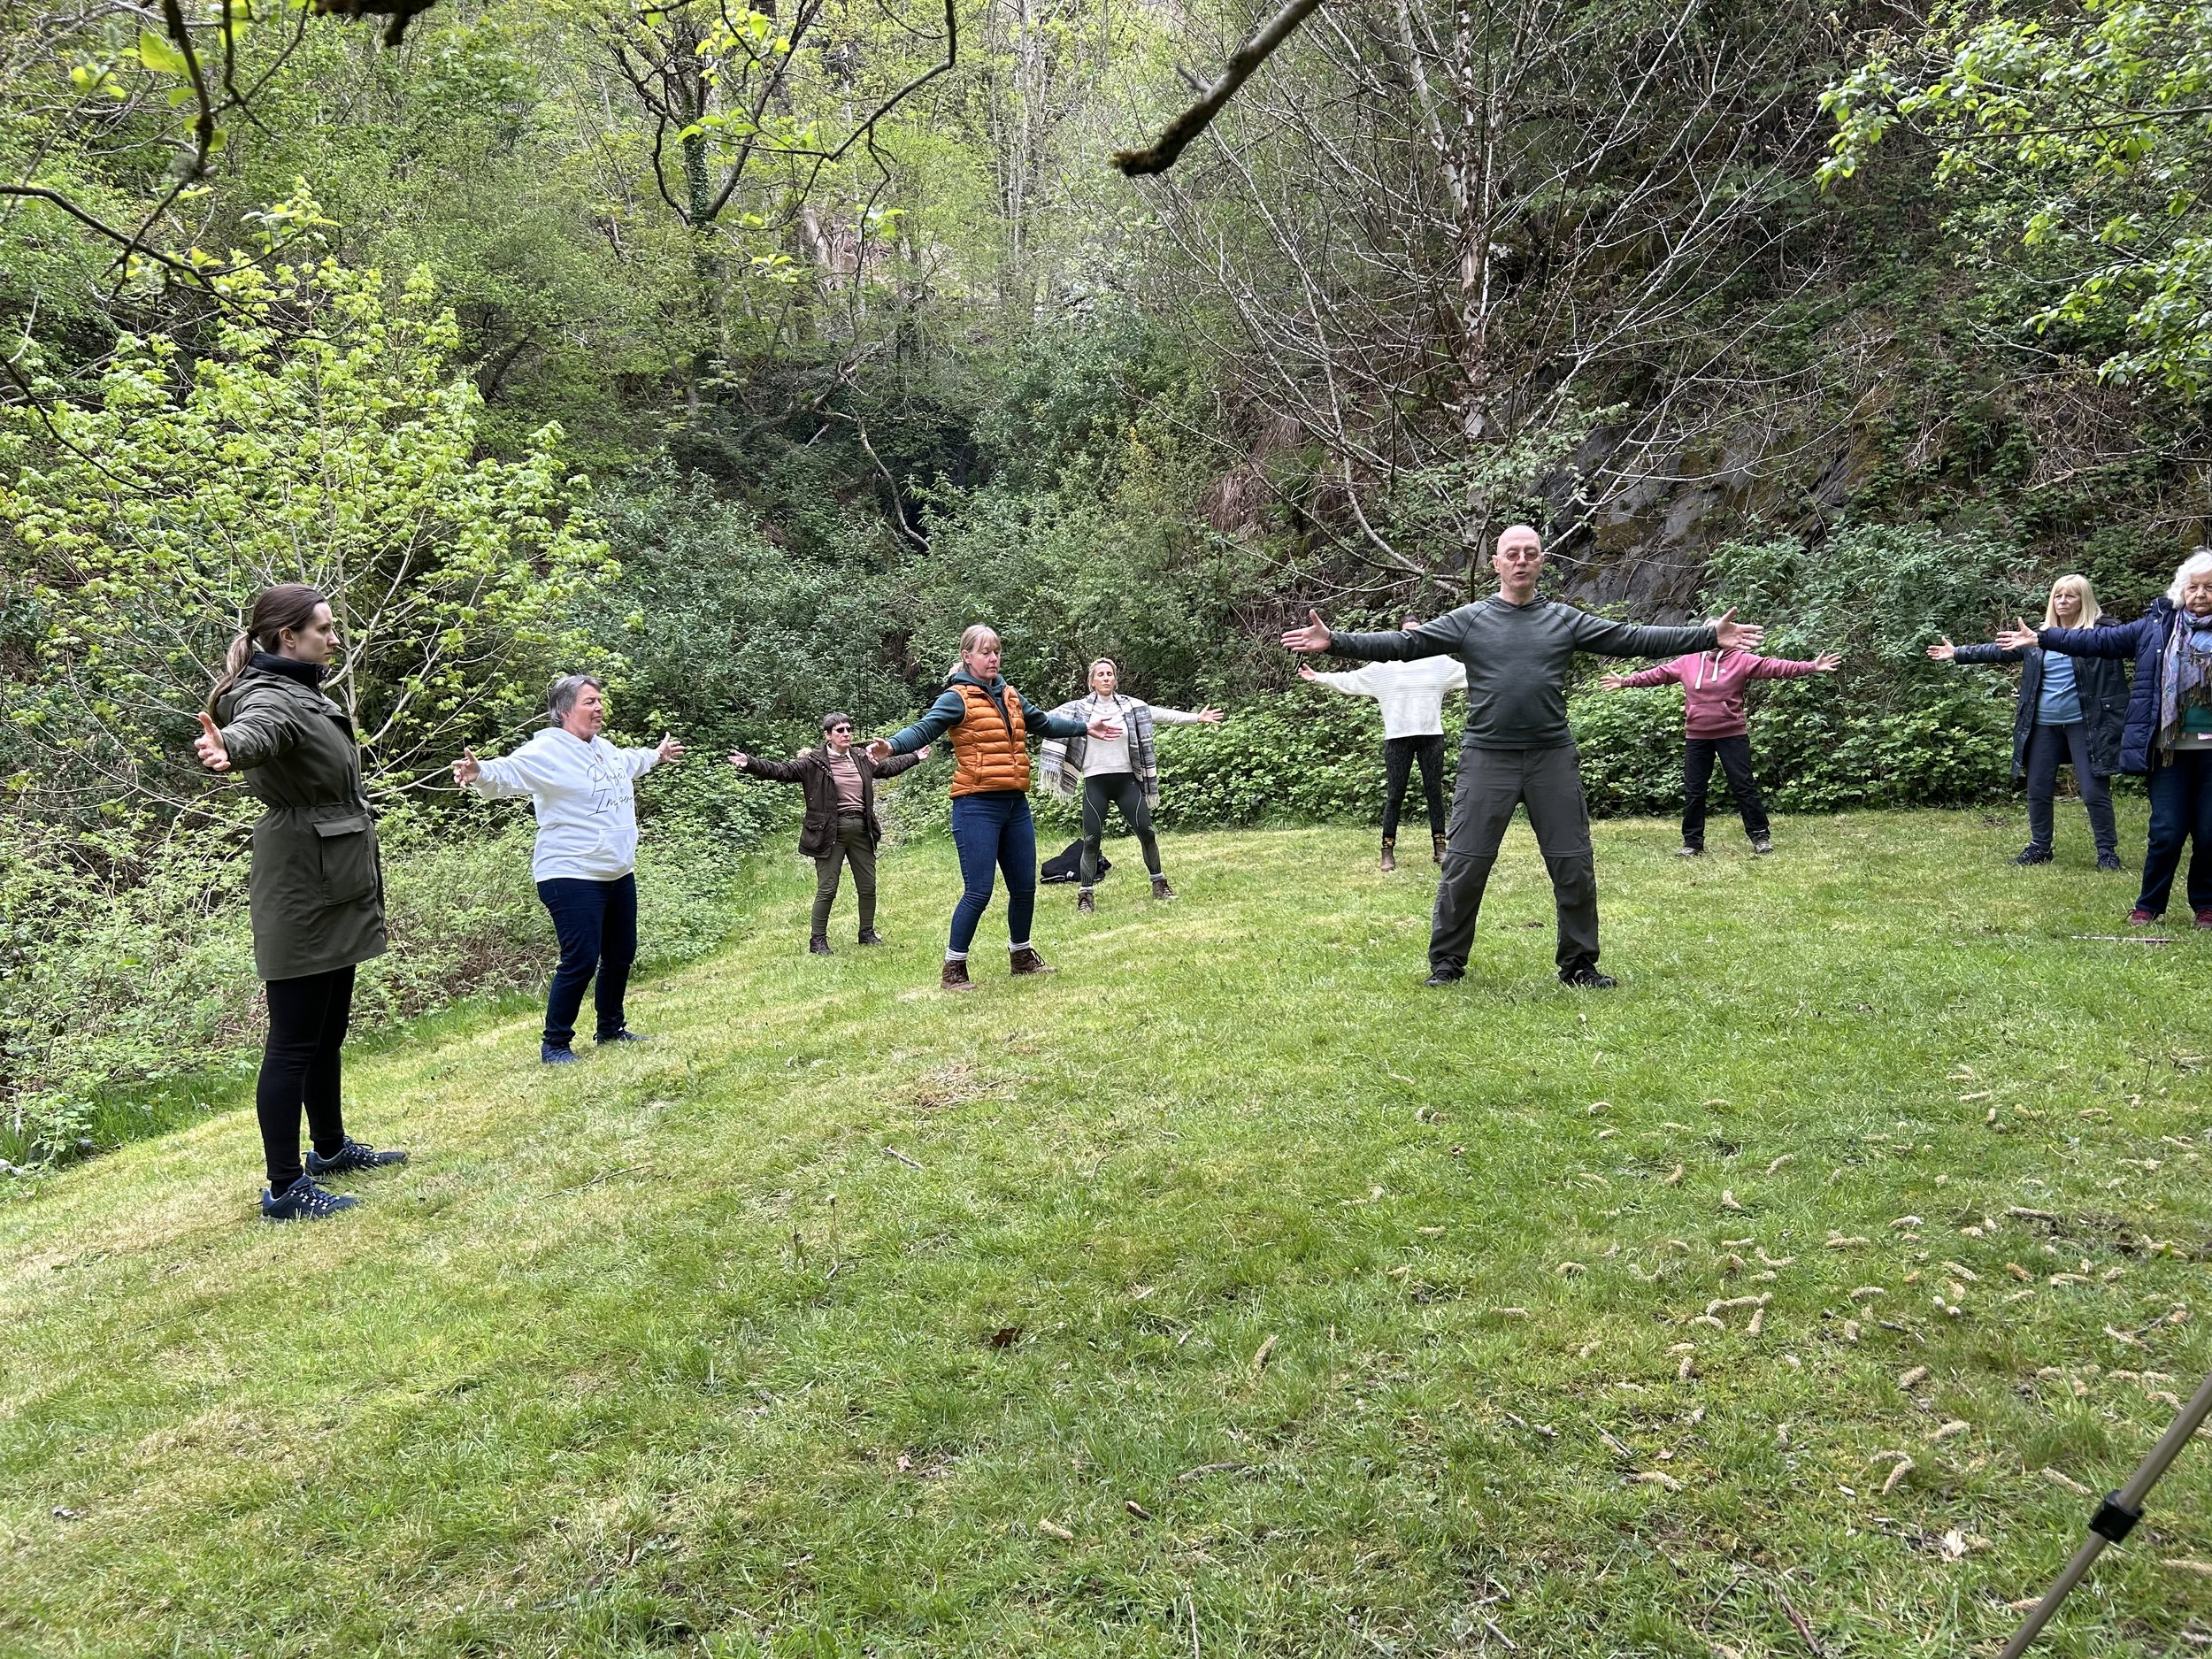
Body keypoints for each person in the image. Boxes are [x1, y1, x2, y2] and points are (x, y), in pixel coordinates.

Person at [1281, 524, 1764, 988]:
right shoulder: (1470, 620)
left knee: (1572, 862)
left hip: (1551, 757)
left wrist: (1706, 635)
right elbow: (1406, 645)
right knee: (1465, 863)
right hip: (1487, 758)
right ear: (1496, 563)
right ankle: (1447, 963)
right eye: (1511, 553)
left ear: (1541, 562)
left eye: (1529, 553)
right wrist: (1336, 642)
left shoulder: (1564, 620)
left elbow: (1631, 637)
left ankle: (1579, 965)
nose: (1520, 561)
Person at [193, 584, 408, 1222]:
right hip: (301, 883)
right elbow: (259, 730)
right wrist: (228, 747)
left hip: (333, 873)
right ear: (288, 638)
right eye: (324, 629)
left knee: (328, 1031)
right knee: (293, 1041)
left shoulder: (303, 688)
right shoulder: (268, 697)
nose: (334, 638)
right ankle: (285, 1187)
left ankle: (330, 1148)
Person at [868, 625, 1120, 990]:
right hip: (976, 806)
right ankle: (954, 969)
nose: (993, 658)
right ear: (967, 656)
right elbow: (925, 729)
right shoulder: (957, 698)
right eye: (985, 652)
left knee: (1024, 887)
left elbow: (1044, 723)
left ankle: (1021, 956)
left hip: (1015, 804)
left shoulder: (1010, 695)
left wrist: (1085, 726)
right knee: (979, 890)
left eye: (996, 651)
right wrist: (891, 746)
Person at [452, 675, 684, 1062]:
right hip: (571, 873)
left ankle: (610, 1029)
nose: (598, 708)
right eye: (589, 702)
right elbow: (510, 771)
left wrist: (656, 755)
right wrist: (481, 772)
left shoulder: (604, 750)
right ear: (564, 711)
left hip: (616, 871)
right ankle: (555, 1044)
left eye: (599, 701)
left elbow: (631, 761)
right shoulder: (547, 751)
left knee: (621, 952)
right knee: (580, 958)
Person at [2000, 550, 2212, 926]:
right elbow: (2099, 642)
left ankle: (2206, 906)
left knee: (2210, 834)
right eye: (2193, 587)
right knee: (2166, 831)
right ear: (2181, 591)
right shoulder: (2156, 628)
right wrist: (2045, 638)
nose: (2200, 594)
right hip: (2168, 749)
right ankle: (2149, 906)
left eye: (2209, 587)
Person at [1930, 573, 2126, 870]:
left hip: (2086, 725)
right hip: (2043, 725)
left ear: (2083, 599)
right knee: (2038, 788)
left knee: (2092, 790)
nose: (2062, 601)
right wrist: (1957, 653)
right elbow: (1998, 650)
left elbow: (2127, 639)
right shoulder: (2039, 636)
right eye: (2058, 596)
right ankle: (2040, 848)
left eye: (2070, 596)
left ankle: (2107, 853)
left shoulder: (2100, 635)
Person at [1598, 644, 1843, 856]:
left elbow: (1774, 667)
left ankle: (1760, 837)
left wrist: (1810, 666)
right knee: (1694, 789)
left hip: (1732, 734)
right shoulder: (1688, 660)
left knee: (1743, 786)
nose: (1714, 639)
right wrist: (1625, 681)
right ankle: (1692, 843)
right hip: (1697, 736)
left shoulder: (1741, 659)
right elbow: (1658, 674)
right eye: (1710, 634)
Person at [729, 714, 929, 953]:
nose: (846, 734)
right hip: (829, 832)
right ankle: (818, 940)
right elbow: (780, 770)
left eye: (848, 729)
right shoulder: (813, 763)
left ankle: (867, 932)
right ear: (827, 735)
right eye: (839, 731)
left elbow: (887, 768)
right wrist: (750, 763)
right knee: (828, 888)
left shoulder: (861, 757)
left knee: (868, 885)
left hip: (862, 830)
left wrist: (915, 757)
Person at [1041, 657, 1224, 911]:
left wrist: (1197, 718)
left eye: (1110, 674)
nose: (1106, 678)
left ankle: (1159, 884)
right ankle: (1085, 896)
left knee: (1147, 832)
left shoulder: (1132, 707)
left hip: (1126, 781)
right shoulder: (1077, 710)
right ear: (1092, 681)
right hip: (1096, 783)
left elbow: (1163, 715)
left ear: (1115, 679)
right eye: (1100, 674)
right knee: (1091, 840)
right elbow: (1044, 721)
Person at [1300, 617, 1466, 870]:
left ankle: (1440, 848)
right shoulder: (1384, 667)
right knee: (1395, 796)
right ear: (1399, 637)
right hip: (1397, 739)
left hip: (1431, 737)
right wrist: (1320, 677)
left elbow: (1476, 672)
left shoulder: (1439, 663)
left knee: (1434, 792)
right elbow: (1350, 680)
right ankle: (1387, 852)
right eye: (1406, 635)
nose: (1412, 640)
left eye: (1417, 634)